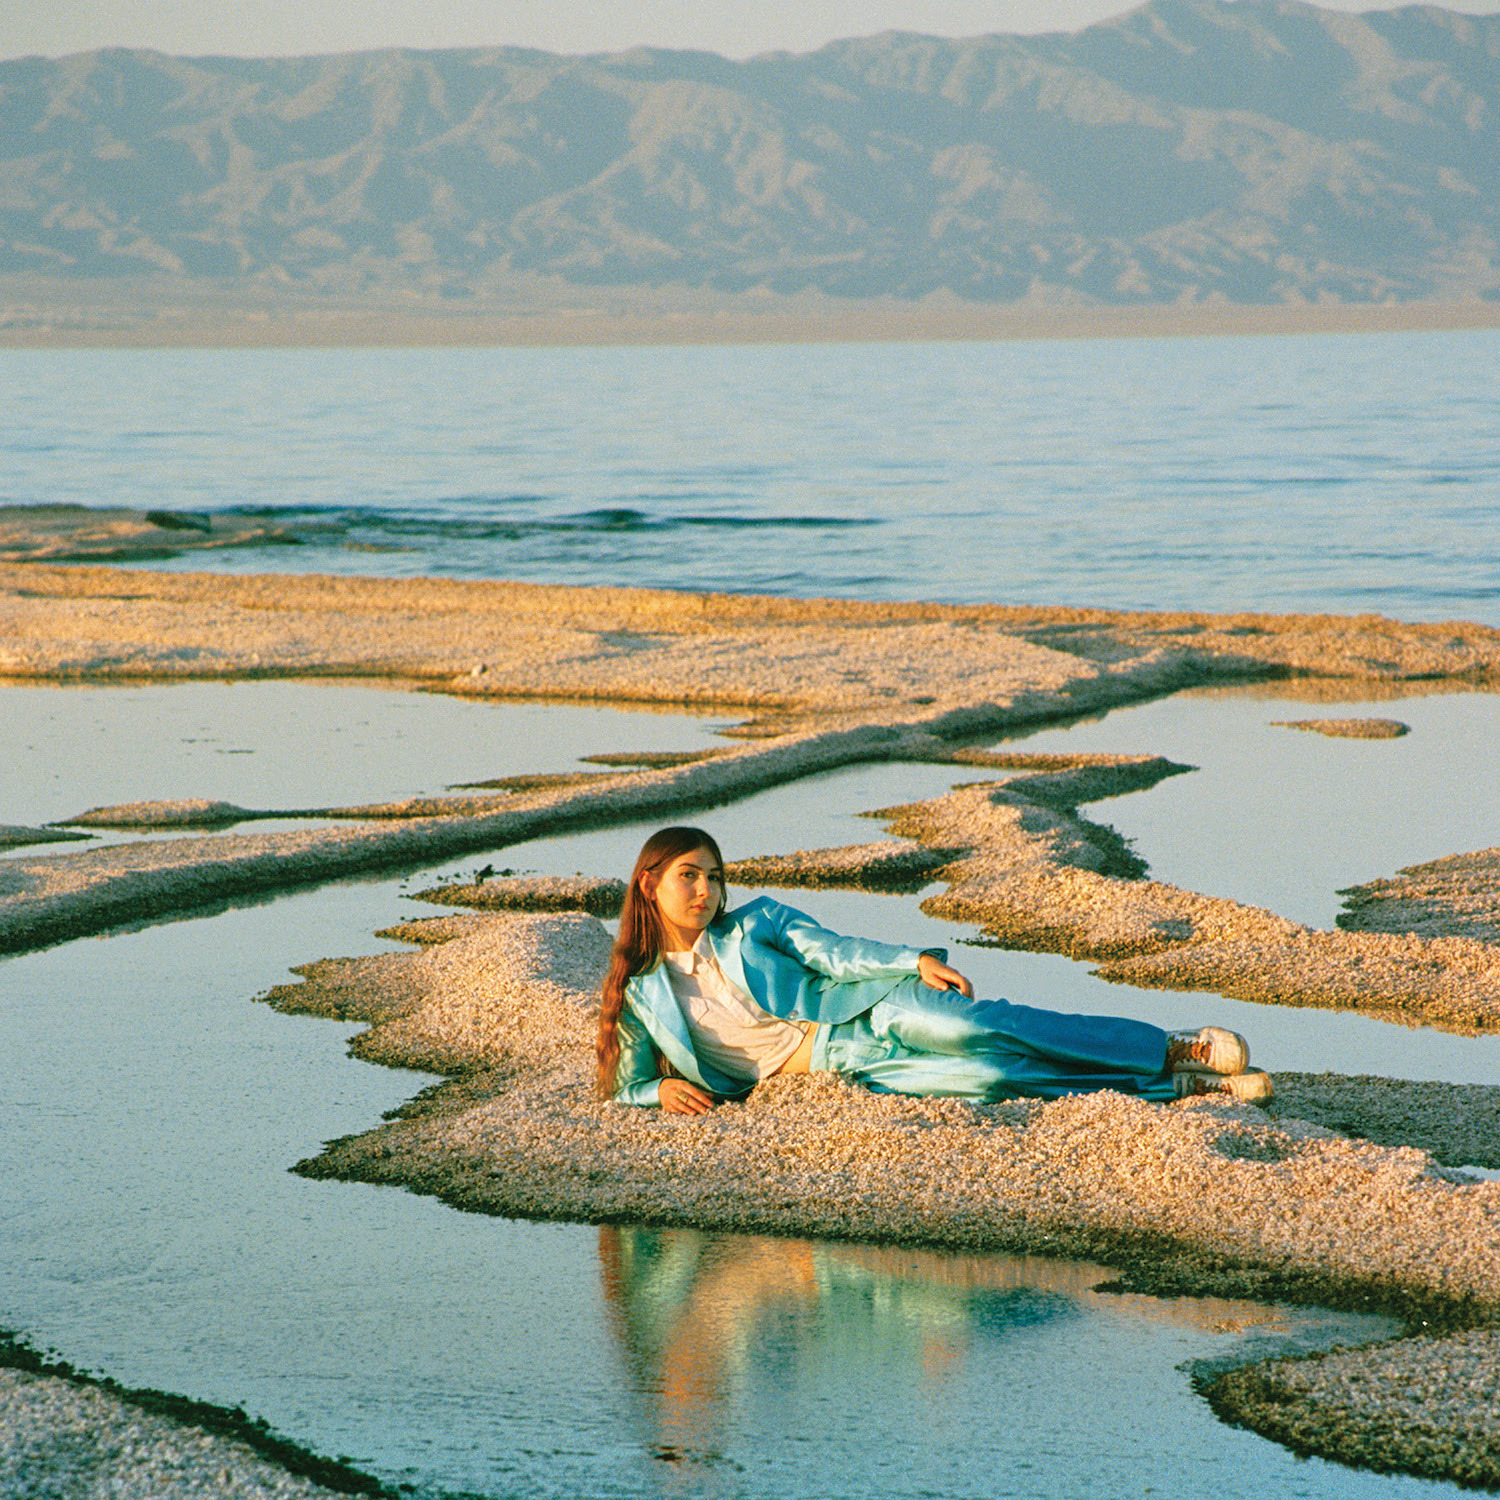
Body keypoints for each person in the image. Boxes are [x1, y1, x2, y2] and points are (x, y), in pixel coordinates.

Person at [597, 826, 1273, 1114]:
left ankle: (1170, 1047)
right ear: (649, 883)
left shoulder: (754, 922)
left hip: (870, 1008)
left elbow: (833, 951)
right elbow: (624, 1085)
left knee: (983, 1030)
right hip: (844, 1064)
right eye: (690, 876)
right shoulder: (640, 993)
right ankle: (1173, 1090)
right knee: (990, 1079)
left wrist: (911, 961)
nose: (707, 891)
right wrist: (657, 1092)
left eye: (715, 877)